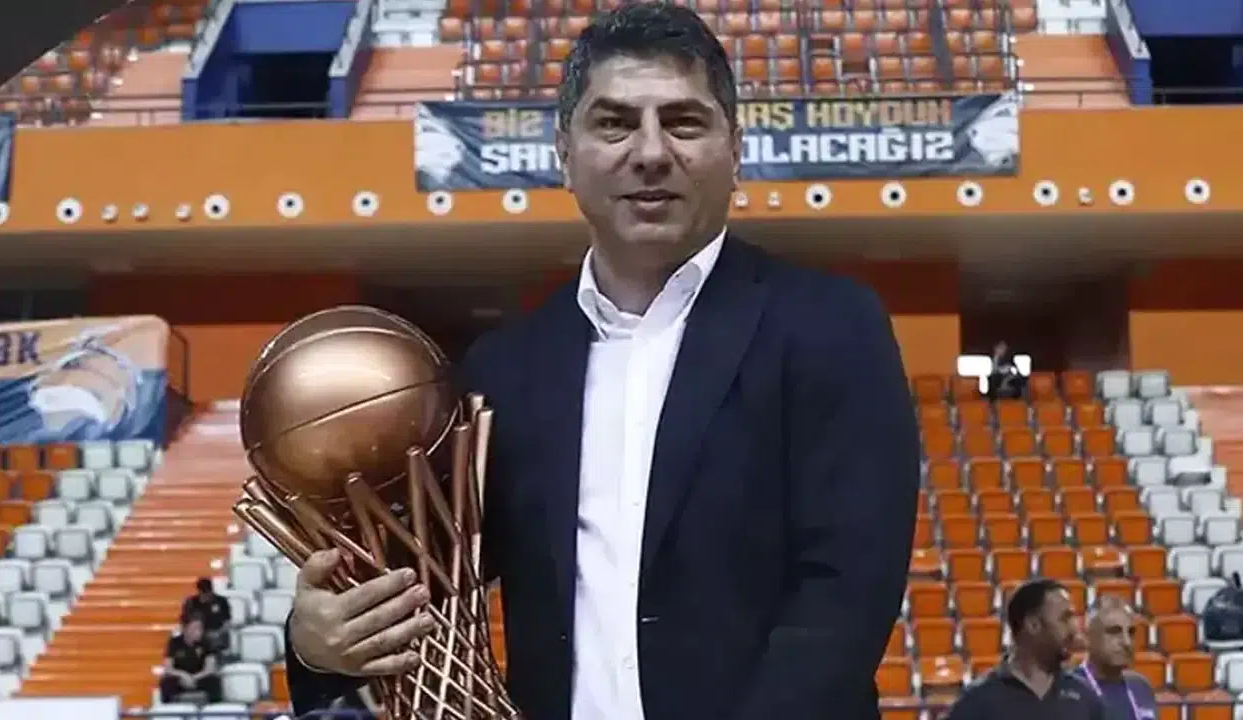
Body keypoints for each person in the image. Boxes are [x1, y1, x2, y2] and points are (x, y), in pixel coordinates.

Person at [281, 3, 919, 719]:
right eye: (614, 123)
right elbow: (419, 581)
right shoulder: (503, 372)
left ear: (735, 150)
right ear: (565, 153)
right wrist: (316, 640)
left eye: (683, 122)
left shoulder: (831, 328)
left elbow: (844, 597)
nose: (650, 152)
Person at [946, 579, 1105, 720]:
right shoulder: (978, 701)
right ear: (1033, 625)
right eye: (1065, 619)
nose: (1075, 629)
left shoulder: (1085, 696)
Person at [1074, 596, 1158, 720]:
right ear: (1088, 636)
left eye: (1130, 632)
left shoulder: (1140, 686)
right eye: (1114, 632)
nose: (1127, 642)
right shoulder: (1068, 689)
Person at [160, 614, 223, 704]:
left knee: (214, 681)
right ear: (185, 629)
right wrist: (183, 675)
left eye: (200, 628)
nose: (198, 631)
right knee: (167, 682)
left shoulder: (207, 642)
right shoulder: (174, 642)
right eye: (194, 628)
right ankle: (168, 709)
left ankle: (214, 708)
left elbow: (209, 669)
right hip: (181, 679)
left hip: (200, 678)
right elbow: (168, 668)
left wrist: (193, 678)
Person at [181, 577, 230, 653]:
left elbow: (227, 621)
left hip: (217, 636)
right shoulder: (191, 602)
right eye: (204, 594)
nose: (207, 597)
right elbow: (184, 623)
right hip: (198, 637)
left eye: (208, 593)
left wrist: (218, 633)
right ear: (199, 592)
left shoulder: (221, 601)